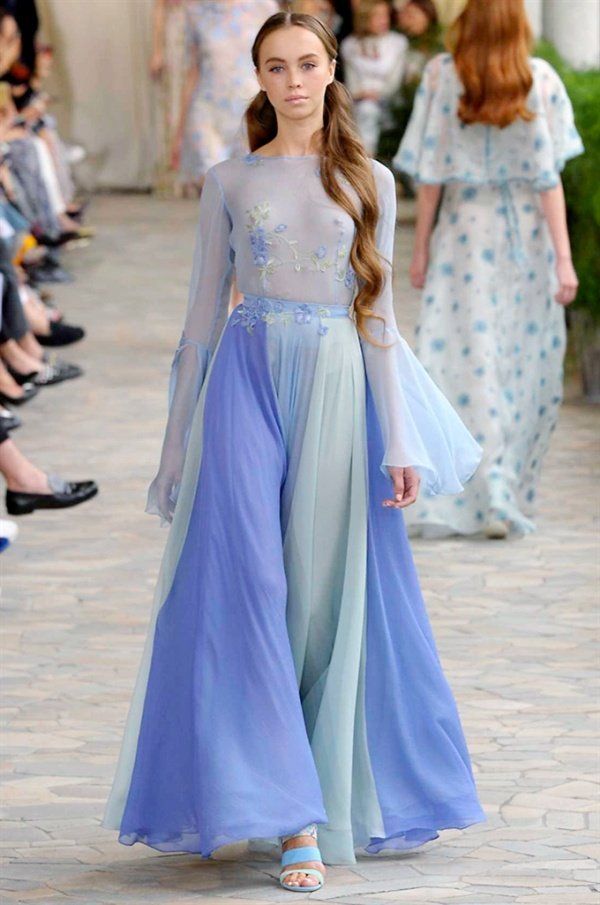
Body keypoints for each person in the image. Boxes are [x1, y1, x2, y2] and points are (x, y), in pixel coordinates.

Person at [102, 10, 486, 894]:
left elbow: (379, 319)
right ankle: (294, 820)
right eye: (276, 67)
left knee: (317, 598)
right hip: (244, 383)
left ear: (331, 69)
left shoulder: (370, 180)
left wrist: (399, 439)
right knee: (250, 585)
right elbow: (200, 321)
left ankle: (303, 794)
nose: (293, 81)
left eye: (307, 64)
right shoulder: (229, 181)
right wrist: (173, 449)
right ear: (260, 78)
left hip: (338, 385)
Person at [393, 0, 583, 539]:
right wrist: (563, 259)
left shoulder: (441, 76)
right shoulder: (540, 80)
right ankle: (500, 490)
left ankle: (478, 490)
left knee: (463, 362)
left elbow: (430, 176)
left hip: (464, 237)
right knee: (521, 366)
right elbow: (548, 180)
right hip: (527, 240)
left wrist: (421, 249)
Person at [172, 0, 280, 193]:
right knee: (214, 188)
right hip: (207, 113)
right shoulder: (195, 12)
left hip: (252, 113)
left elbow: (277, 63)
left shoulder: (264, 7)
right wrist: (179, 132)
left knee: (248, 193)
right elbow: (192, 71)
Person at [340, 0, 407, 155]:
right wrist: (361, 94)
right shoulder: (350, 45)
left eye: (385, 15)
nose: (384, 20)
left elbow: (395, 82)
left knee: (368, 110)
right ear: (365, 17)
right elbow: (351, 83)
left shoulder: (398, 43)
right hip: (357, 101)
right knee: (365, 109)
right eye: (377, 16)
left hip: (389, 103)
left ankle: (366, 157)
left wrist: (378, 94)